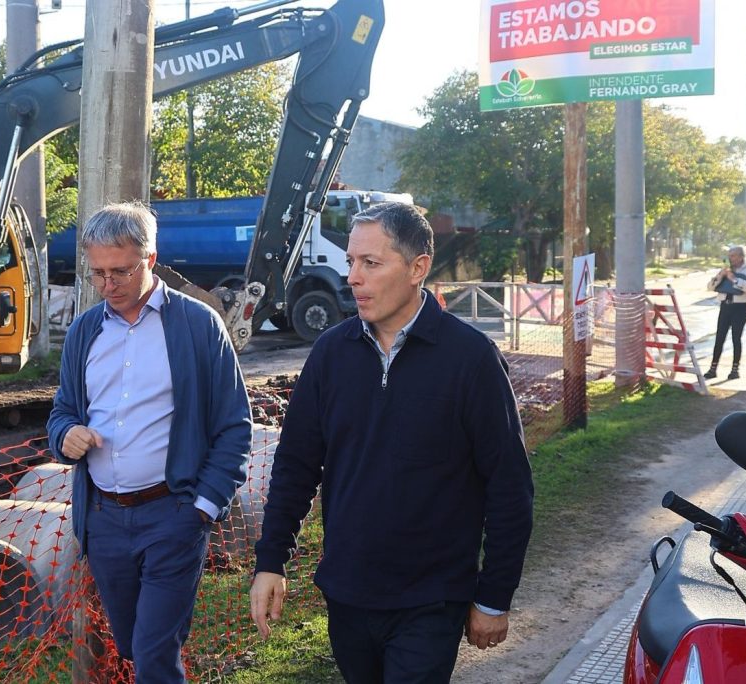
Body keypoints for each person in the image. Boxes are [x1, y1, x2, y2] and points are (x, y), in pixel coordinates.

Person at [249, 201, 534, 683]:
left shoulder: (470, 359)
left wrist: (493, 595)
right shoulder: (330, 354)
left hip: (431, 598)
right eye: (351, 263)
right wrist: (270, 560)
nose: (353, 278)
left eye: (371, 263)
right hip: (347, 593)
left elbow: (509, 487)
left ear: (417, 268)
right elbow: (296, 466)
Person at [46, 201, 252, 683]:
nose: (107, 285)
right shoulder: (84, 331)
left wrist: (202, 507)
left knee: (154, 655)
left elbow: (234, 425)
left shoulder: (199, 326)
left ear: (151, 259)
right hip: (103, 522)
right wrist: (66, 436)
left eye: (120, 271)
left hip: (173, 517)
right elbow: (61, 414)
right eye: (97, 273)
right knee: (134, 646)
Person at [704, 246, 746, 380]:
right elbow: (710, 287)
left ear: (741, 257)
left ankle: (735, 369)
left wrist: (734, 279)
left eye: (733, 255)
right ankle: (713, 368)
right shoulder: (725, 270)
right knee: (719, 337)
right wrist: (720, 276)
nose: (730, 258)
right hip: (725, 306)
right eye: (729, 255)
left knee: (736, 338)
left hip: (740, 308)